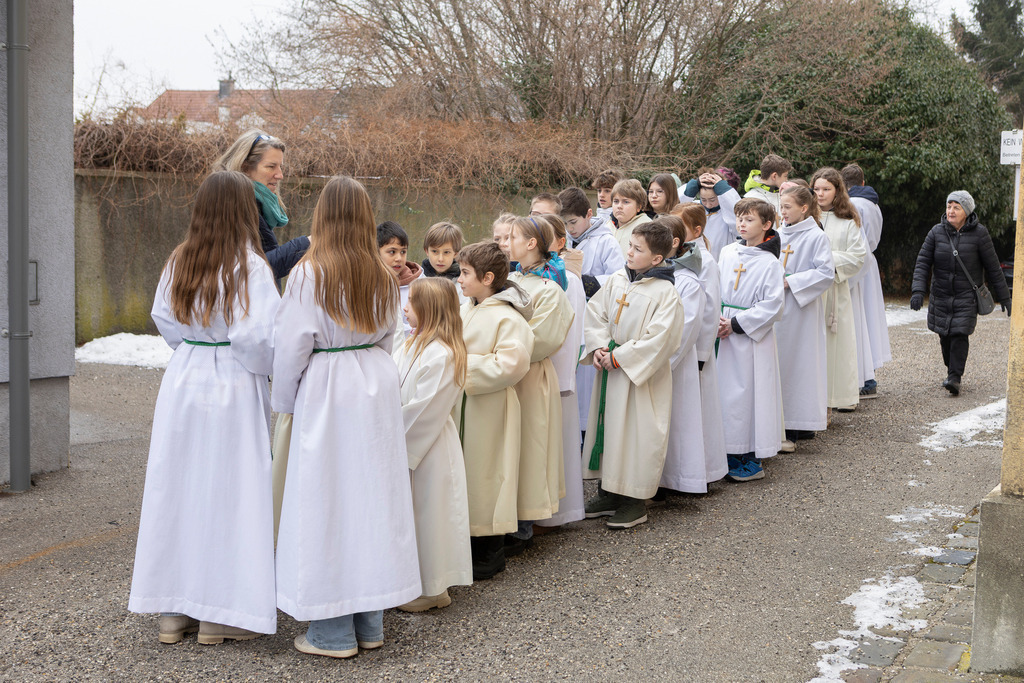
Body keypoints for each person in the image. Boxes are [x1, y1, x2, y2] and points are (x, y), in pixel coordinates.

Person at [128, 170, 280, 645]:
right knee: (230, 491)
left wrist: (194, 346)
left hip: (186, 377)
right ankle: (221, 615)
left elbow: (162, 318)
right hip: (232, 380)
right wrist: (264, 369)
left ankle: (174, 610)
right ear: (244, 211)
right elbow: (258, 337)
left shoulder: (181, 259)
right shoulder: (250, 266)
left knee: (180, 487)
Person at [273, 176, 420, 659]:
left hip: (328, 386)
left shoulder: (309, 273)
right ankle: (370, 621)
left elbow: (294, 345)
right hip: (373, 383)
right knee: (371, 498)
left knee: (327, 502)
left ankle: (332, 630)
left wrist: (287, 401)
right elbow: (388, 335)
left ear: (322, 216)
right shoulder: (382, 273)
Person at [582, 221, 685, 529]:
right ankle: (609, 492)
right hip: (610, 370)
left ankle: (634, 501)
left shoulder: (666, 293)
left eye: (638, 249)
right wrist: (600, 347)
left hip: (640, 378)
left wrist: (620, 356)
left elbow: (662, 338)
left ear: (657, 259)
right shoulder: (616, 279)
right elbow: (596, 313)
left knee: (637, 434)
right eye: (630, 246)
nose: (629, 252)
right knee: (610, 429)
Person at [454, 241, 534, 579]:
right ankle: (465, 542)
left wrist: (460, 366)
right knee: (466, 472)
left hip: (491, 409)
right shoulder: (467, 308)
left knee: (488, 474)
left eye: (465, 273)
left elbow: (511, 364)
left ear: (488, 278)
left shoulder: (508, 318)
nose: (458, 279)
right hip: (463, 406)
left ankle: (490, 549)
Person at [393, 278, 473, 613]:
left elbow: (425, 410)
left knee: (429, 513)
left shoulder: (442, 354)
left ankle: (433, 588)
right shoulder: (411, 344)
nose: (404, 307)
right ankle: (410, 580)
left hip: (428, 448)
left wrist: (392, 440)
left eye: (411, 301)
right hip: (405, 441)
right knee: (411, 514)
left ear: (430, 309)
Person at [506, 216, 575, 552]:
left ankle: (523, 524)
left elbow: (543, 338)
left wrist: (501, 349)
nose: (507, 242)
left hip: (530, 377)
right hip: (503, 375)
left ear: (532, 243)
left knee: (530, 444)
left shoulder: (551, 289)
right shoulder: (509, 279)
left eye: (513, 237)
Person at [911, 191, 1011, 395]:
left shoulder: (980, 234)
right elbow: (922, 263)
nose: (951, 211)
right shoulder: (936, 232)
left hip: (966, 297)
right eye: (949, 206)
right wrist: (918, 291)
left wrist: (1005, 298)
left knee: (959, 335)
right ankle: (951, 369)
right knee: (944, 336)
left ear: (966, 211)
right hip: (941, 295)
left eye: (956, 207)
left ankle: (955, 377)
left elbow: (993, 267)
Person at [716, 198, 785, 482]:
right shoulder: (728, 251)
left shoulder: (770, 263)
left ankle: (750, 456)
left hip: (749, 338)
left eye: (749, 220)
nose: (742, 224)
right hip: (721, 332)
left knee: (748, 395)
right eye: (739, 219)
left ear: (766, 225)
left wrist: (735, 323)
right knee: (724, 395)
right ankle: (727, 451)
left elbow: (774, 305)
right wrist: (717, 320)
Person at [655, 215, 721, 496]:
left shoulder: (691, 277)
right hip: (653, 358)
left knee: (684, 419)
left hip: (679, 360)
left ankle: (683, 478)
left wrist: (701, 355)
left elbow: (703, 317)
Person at [535, 215, 587, 530]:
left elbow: (572, 332)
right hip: (532, 374)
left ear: (559, 242)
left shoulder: (569, 280)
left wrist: (562, 378)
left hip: (554, 375)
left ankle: (560, 512)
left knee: (558, 442)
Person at [671, 203, 727, 484]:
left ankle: (700, 470)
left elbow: (709, 311)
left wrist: (702, 354)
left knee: (695, 413)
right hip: (677, 343)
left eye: (679, 226)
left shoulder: (706, 262)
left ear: (696, 230)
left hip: (694, 350)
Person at [775, 186, 835, 447]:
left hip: (802, 311)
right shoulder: (776, 234)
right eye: (781, 206)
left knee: (802, 365)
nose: (783, 211)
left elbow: (825, 273)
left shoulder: (815, 236)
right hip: (778, 309)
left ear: (804, 208)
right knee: (782, 364)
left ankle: (802, 422)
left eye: (788, 207)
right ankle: (783, 421)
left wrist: (793, 282)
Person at [214, 130, 309, 282]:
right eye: (271, 166)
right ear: (245, 167)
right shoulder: (234, 209)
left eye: (280, 166)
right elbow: (257, 269)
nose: (280, 175)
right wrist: (310, 242)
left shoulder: (254, 205)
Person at [811, 167, 866, 412]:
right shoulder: (807, 219)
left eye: (826, 189)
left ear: (837, 191)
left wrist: (825, 261)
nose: (820, 194)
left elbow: (857, 256)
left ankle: (835, 399)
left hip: (834, 293)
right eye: (817, 189)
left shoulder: (848, 220)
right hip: (809, 294)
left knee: (836, 349)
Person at [841, 163, 892, 398]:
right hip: (869, 261)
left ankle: (864, 378)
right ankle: (867, 374)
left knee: (859, 320)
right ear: (863, 182)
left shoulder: (852, 205)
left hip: (857, 266)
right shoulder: (872, 203)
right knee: (868, 321)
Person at [680, 169, 740, 260]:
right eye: (703, 199)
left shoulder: (727, 213)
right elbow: (677, 208)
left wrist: (723, 188)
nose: (708, 204)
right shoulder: (695, 208)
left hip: (720, 261)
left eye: (712, 200)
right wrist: (693, 186)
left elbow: (738, 212)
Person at [378, 220, 423, 342]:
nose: (399, 258)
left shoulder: (420, 284)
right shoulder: (369, 286)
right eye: (392, 252)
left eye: (403, 252)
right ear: (376, 252)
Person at [610, 179, 653, 256]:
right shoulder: (606, 225)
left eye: (626, 202)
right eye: (616, 201)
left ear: (639, 206)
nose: (619, 206)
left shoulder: (647, 228)